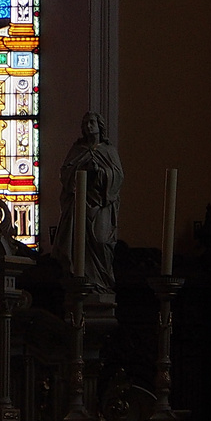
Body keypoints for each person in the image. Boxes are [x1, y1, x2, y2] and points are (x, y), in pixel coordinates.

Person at [55, 112, 125, 291]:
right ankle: (82, 284)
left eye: (91, 122)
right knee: (78, 244)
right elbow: (66, 174)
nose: (88, 126)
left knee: (101, 241)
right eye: (85, 123)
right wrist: (83, 170)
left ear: (99, 125)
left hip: (101, 205)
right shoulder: (77, 150)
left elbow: (118, 176)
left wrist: (100, 173)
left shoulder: (109, 151)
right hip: (80, 205)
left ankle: (102, 283)